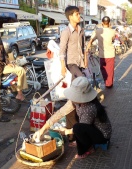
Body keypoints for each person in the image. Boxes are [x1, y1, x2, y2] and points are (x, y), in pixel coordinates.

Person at [33, 77, 112, 159]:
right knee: (69, 113)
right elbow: (61, 112)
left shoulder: (89, 108)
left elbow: (83, 127)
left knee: (77, 128)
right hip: (90, 126)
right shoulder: (76, 102)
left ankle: (88, 148)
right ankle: (80, 140)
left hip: (102, 135)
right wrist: (42, 129)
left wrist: (66, 131)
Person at [59, 6, 85, 142]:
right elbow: (62, 50)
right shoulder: (66, 32)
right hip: (71, 64)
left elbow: (83, 48)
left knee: (74, 99)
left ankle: (71, 134)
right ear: (70, 16)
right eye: (76, 14)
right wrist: (63, 67)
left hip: (79, 64)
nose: (78, 16)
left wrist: (85, 62)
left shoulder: (80, 30)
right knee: (82, 83)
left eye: (78, 14)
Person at [86, 16, 115, 88]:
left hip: (102, 55)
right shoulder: (112, 31)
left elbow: (91, 40)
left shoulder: (98, 31)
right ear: (109, 23)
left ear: (102, 23)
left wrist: (87, 49)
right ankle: (109, 84)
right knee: (110, 70)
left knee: (103, 69)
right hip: (111, 54)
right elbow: (113, 40)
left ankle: (106, 82)